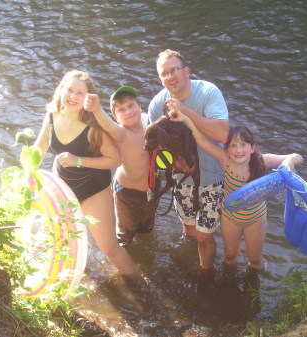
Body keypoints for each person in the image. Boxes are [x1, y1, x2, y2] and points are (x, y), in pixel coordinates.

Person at [167, 103, 304, 275]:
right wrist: (185, 118)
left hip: (256, 218)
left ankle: (253, 287)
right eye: (233, 145)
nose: (238, 150)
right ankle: (229, 287)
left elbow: (297, 157)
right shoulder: (225, 160)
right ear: (227, 149)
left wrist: (289, 163)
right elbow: (200, 139)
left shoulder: (263, 161)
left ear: (252, 148)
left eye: (243, 145)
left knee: (255, 260)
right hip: (230, 217)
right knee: (229, 257)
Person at [34, 70, 136, 276]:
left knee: (110, 248)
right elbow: (40, 147)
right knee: (60, 243)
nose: (72, 97)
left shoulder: (91, 126)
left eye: (79, 93)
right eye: (69, 90)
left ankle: (138, 285)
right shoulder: (52, 115)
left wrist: (78, 160)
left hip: (93, 189)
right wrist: (29, 171)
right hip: (63, 189)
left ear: (88, 99)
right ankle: (62, 287)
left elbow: (115, 159)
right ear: (61, 90)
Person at [148, 49, 229, 272]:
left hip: (213, 177)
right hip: (182, 179)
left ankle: (206, 274)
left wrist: (184, 111)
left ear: (186, 71)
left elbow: (223, 134)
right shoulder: (157, 105)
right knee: (190, 232)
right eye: (164, 74)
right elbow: (155, 148)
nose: (170, 77)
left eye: (174, 70)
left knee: (204, 236)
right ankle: (190, 262)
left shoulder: (208, 92)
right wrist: (172, 161)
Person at [84, 86, 158, 246]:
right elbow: (108, 125)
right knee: (125, 234)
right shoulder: (122, 134)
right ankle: (122, 263)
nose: (128, 111)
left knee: (146, 229)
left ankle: (145, 253)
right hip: (128, 193)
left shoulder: (149, 121)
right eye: (121, 110)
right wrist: (97, 110)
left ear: (140, 106)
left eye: (131, 105)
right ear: (116, 118)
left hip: (152, 190)